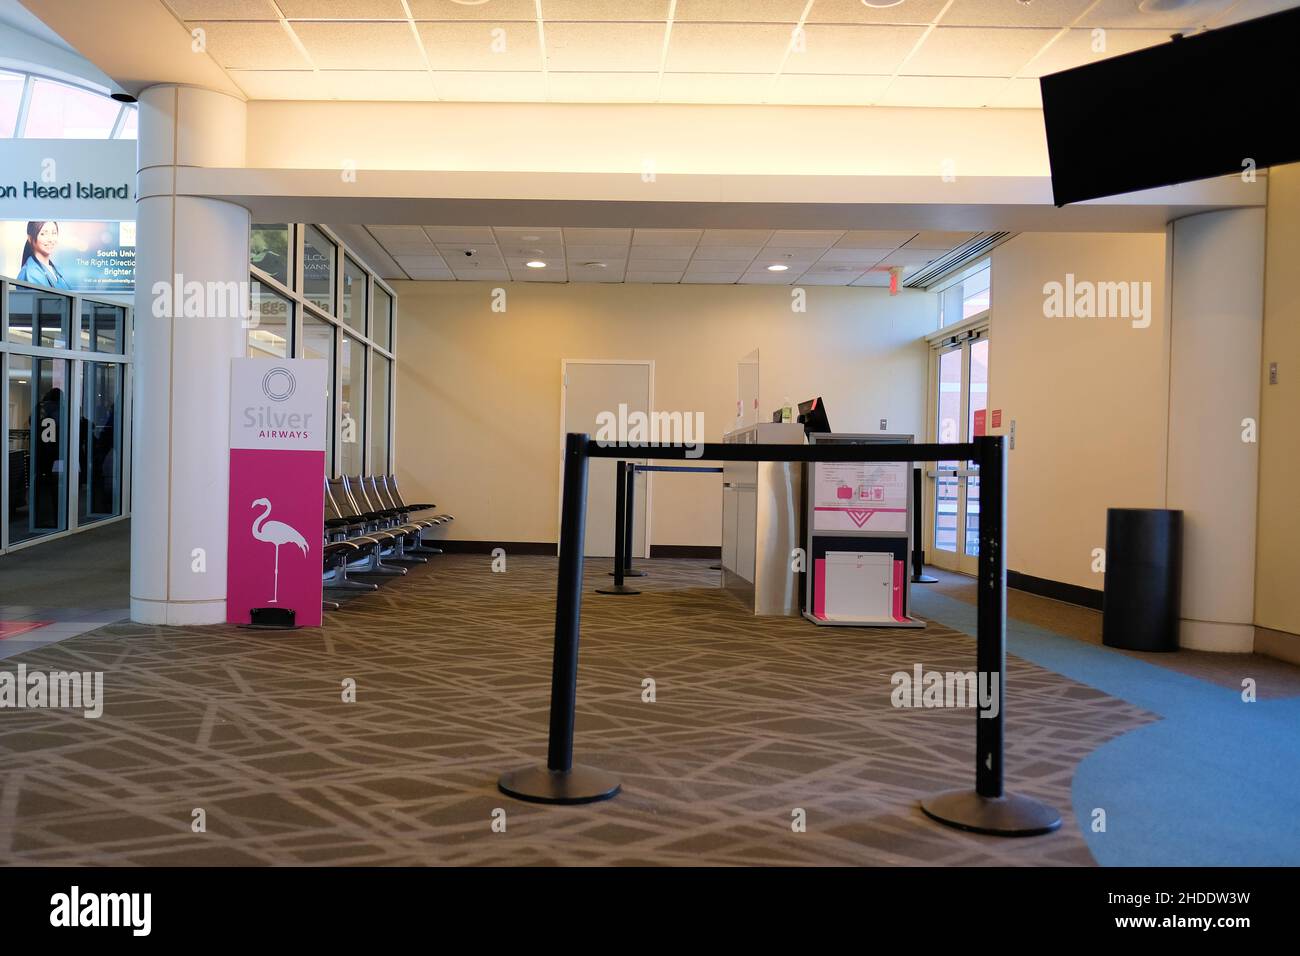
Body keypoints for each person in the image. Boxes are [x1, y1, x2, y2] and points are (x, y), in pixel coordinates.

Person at [16, 221, 71, 289]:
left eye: (54, 233)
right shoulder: (31, 273)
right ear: (30, 238)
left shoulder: (57, 270)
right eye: (43, 234)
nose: (50, 239)